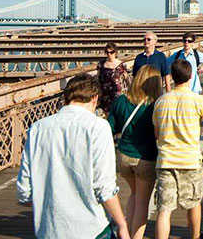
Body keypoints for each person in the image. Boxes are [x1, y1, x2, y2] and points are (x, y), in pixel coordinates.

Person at [17, 73, 130, 239]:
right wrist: (122, 224)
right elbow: (104, 188)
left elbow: (24, 191)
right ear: (94, 98)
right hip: (90, 229)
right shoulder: (98, 127)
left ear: (65, 97)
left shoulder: (37, 129)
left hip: (49, 231)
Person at [153, 59, 203, 239]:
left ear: (172, 77)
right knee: (194, 202)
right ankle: (195, 237)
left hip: (166, 160)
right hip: (189, 160)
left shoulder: (161, 102)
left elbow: (157, 134)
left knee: (164, 210)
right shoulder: (198, 100)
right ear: (191, 77)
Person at [107, 65, 162, 239]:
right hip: (145, 157)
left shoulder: (122, 100)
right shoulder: (155, 105)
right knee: (142, 202)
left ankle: (127, 233)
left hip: (123, 156)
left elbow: (110, 128)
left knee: (134, 194)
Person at [97, 42, 129, 114]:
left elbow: (126, 78)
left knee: (116, 112)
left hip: (116, 93)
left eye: (111, 52)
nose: (109, 54)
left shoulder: (121, 65)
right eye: (107, 52)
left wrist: (131, 89)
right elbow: (97, 77)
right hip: (104, 93)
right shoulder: (101, 64)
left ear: (115, 52)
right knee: (106, 113)